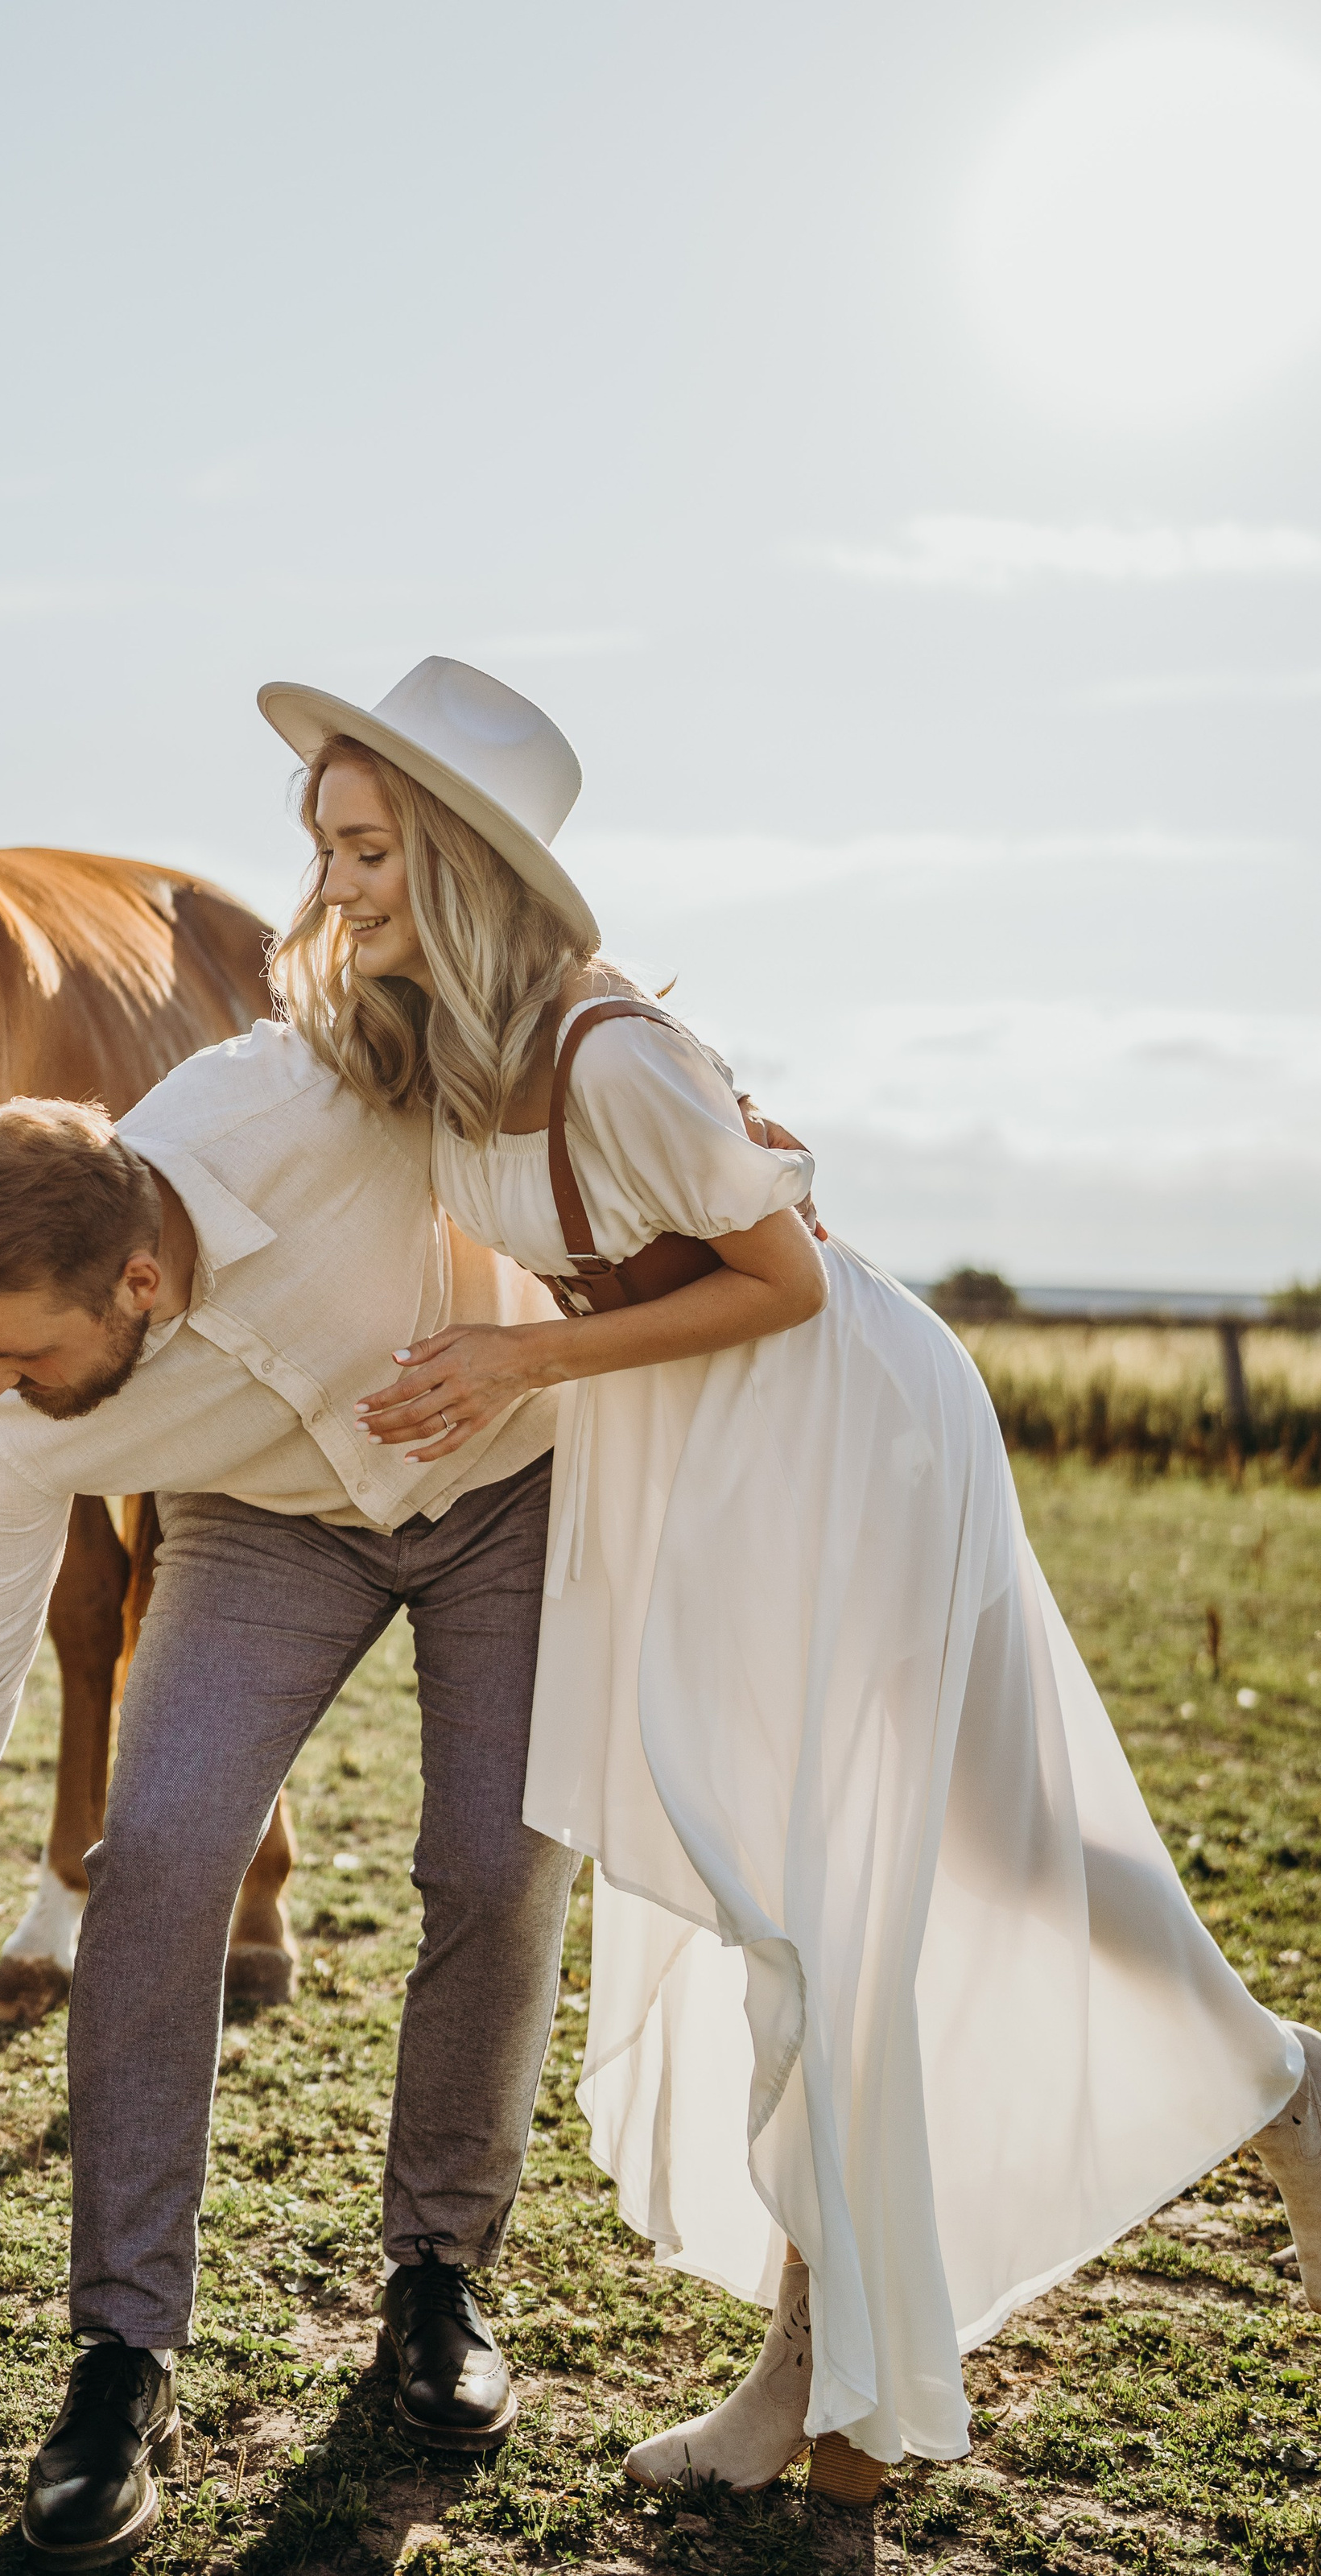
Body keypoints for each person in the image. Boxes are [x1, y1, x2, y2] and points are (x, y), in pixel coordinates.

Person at [260, 654, 1321, 2503]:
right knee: (887, 1873)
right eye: (325, 846)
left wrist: (515, 1364)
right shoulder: (431, 1051)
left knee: (818, 1898)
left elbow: (787, 1281)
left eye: (364, 849)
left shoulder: (614, 1052)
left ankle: (827, 2387)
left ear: (449, 862)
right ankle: (1259, 2103)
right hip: (696, 1446)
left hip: (835, 1432)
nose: (331, 884)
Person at [0, 1046, 590, 2569]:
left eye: (16, 1356)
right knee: (161, 1857)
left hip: (506, 1484)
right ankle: (122, 2362)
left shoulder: (306, 1104)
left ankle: (438, 2280)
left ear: (138, 1280)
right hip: (265, 1529)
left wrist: (703, 1150)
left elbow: (513, 1054)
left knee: (495, 1860)